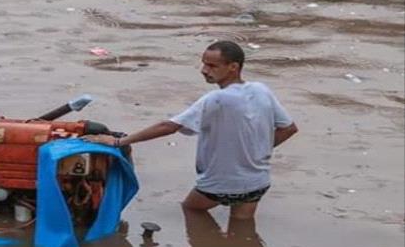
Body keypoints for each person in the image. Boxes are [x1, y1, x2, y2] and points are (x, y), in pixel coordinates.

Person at [85, 41, 298, 220]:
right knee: (243, 232)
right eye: (204, 63)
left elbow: (169, 126)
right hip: (257, 182)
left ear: (233, 67)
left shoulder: (216, 99)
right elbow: (289, 129)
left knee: (191, 213)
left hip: (220, 183)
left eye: (212, 65)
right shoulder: (262, 90)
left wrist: (119, 141)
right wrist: (255, 152)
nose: (204, 70)